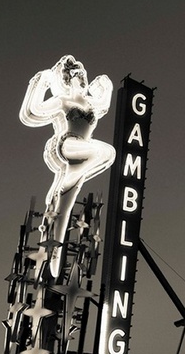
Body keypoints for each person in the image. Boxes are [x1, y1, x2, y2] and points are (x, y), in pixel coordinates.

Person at [19, 55, 115, 277]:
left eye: (83, 75)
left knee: (64, 206)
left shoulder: (92, 104)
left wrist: (106, 86)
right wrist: (39, 82)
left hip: (84, 154)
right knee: (105, 152)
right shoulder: (62, 101)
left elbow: (105, 103)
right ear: (68, 79)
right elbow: (32, 112)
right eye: (76, 75)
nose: (81, 79)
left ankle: (53, 257)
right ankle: (63, 187)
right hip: (68, 144)